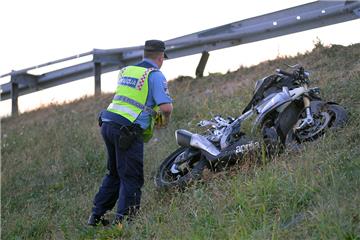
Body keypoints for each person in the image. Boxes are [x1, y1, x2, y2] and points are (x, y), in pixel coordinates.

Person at [87, 40, 173, 227]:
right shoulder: (155, 75)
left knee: (115, 173)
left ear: (144, 55)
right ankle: (125, 223)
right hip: (127, 130)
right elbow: (166, 107)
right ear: (160, 58)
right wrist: (164, 122)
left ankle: (96, 216)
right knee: (131, 177)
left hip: (108, 122)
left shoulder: (127, 71)